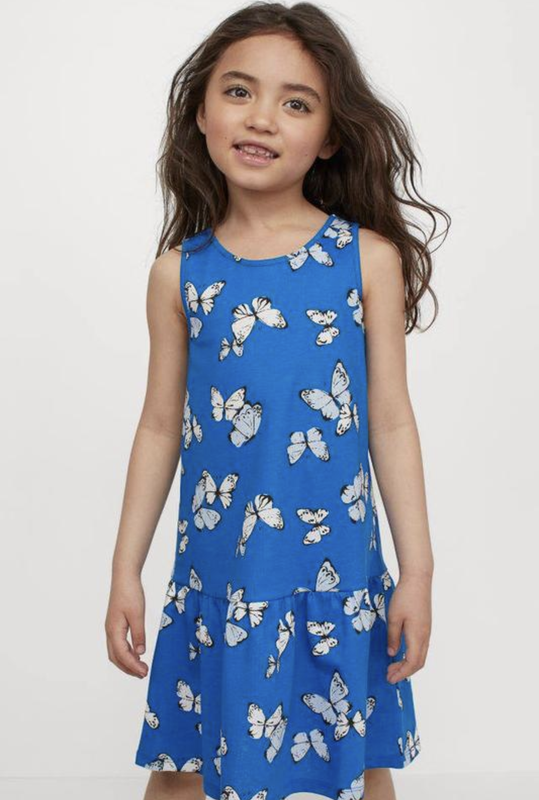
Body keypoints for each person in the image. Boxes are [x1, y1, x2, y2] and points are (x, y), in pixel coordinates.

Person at [104, 3, 449, 799]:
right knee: (184, 773)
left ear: (328, 135)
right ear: (200, 112)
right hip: (220, 574)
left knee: (354, 765)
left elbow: (390, 421)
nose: (261, 117)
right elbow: (159, 427)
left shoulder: (366, 260)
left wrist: (417, 571)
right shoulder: (178, 275)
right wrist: (125, 569)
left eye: (296, 102)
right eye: (238, 91)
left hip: (333, 574)